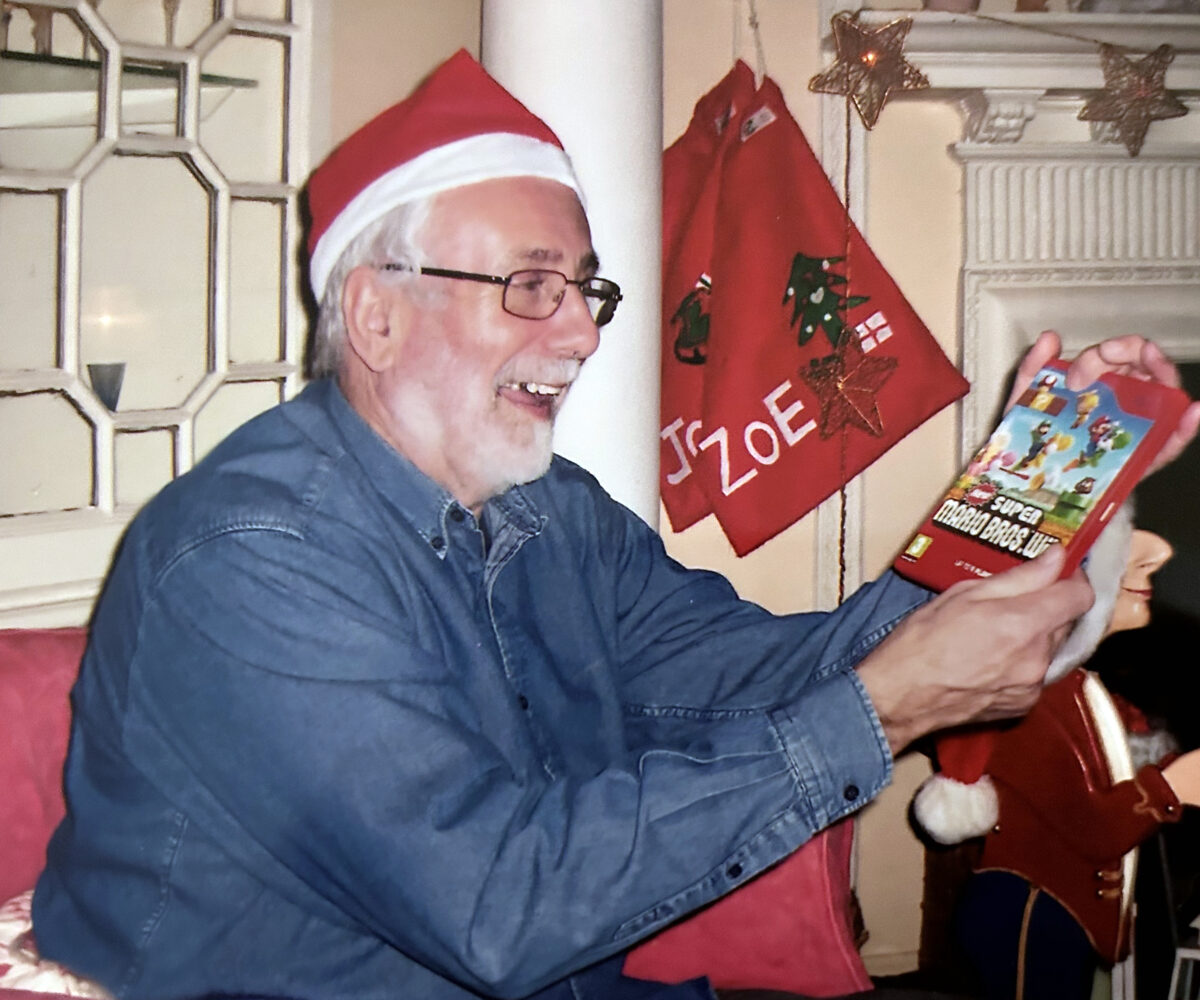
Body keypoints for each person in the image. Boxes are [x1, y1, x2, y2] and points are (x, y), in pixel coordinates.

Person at [30, 50, 1200, 1000]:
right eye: (531, 284)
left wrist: (1035, 483)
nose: (586, 333)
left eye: (584, 288)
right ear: (376, 315)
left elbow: (762, 676)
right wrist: (884, 706)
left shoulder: (549, 512)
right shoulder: (252, 557)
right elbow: (497, 905)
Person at [916, 509, 1200, 1000]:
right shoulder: (1038, 697)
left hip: (1060, 911)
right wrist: (1172, 786)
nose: (1157, 556)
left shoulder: (1072, 685)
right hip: (1032, 910)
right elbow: (1091, 827)